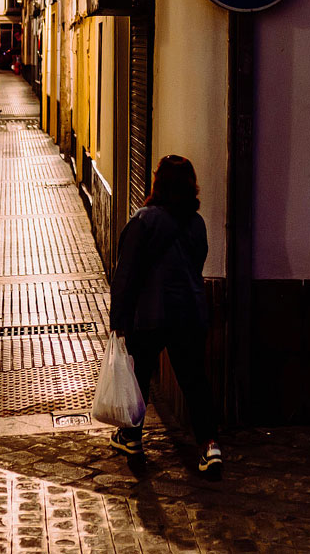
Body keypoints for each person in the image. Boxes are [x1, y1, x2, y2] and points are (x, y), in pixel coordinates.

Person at [108, 154, 222, 476]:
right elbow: (198, 261)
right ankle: (209, 446)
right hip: (189, 312)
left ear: (157, 183)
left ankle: (132, 437)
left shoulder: (143, 220)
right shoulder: (196, 224)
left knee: (139, 375)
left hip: (151, 313)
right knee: (194, 381)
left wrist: (119, 320)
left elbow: (125, 274)